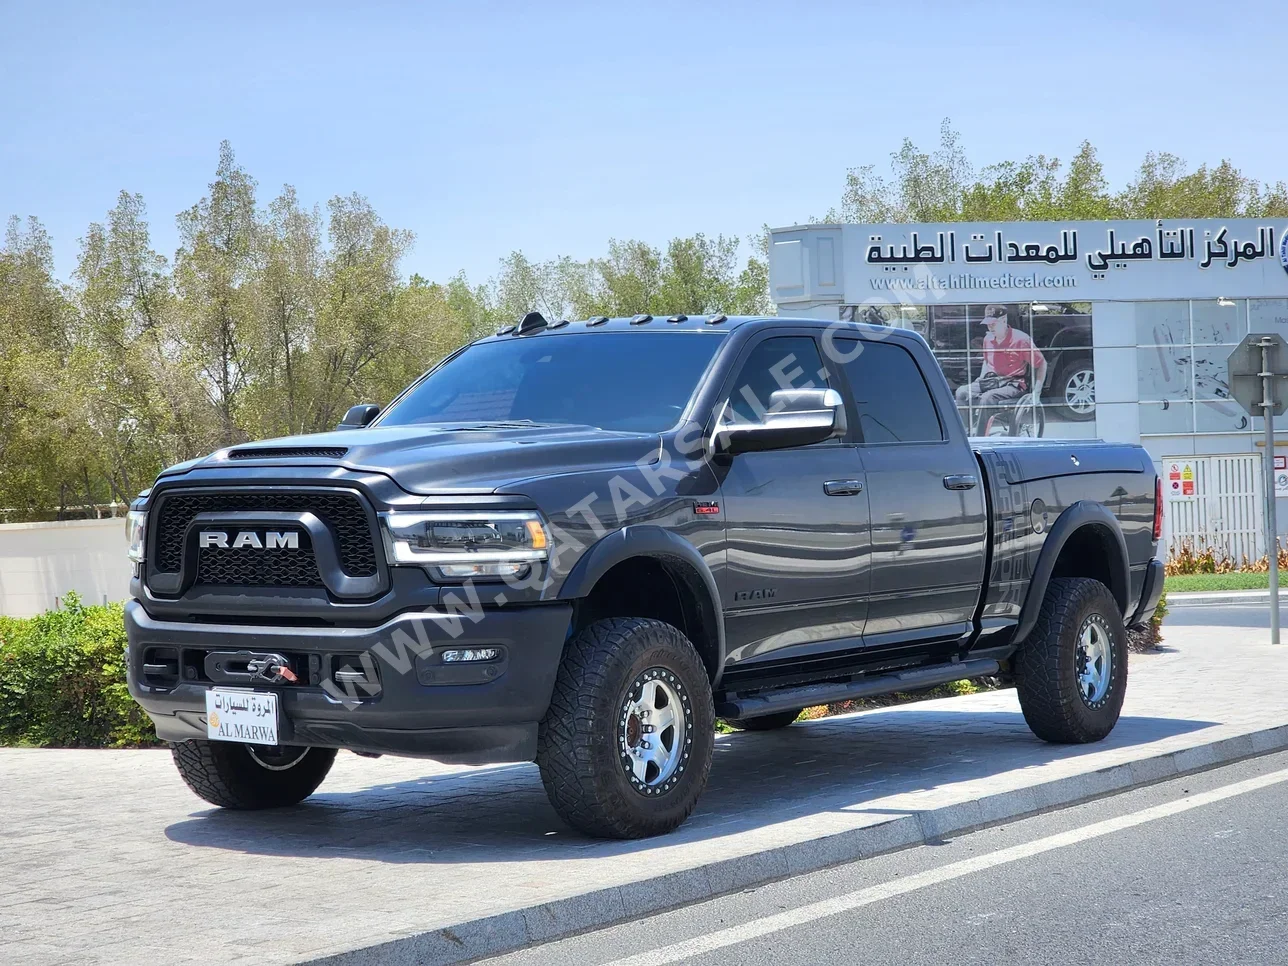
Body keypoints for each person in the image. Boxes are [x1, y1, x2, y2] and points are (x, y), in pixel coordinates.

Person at [954, 304, 1047, 435]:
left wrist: (1037, 393)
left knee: (987, 398)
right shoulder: (988, 339)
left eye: (993, 323)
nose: (990, 327)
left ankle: (980, 436)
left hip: (1013, 383)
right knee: (961, 392)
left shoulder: (1021, 340)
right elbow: (987, 362)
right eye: (988, 323)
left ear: (1004, 320)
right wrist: (981, 379)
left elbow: (1041, 363)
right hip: (992, 380)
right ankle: (965, 433)